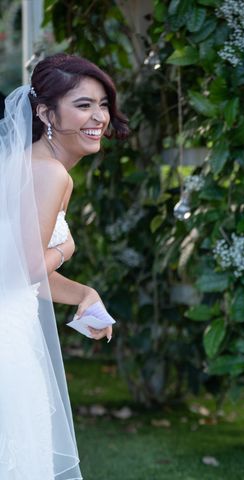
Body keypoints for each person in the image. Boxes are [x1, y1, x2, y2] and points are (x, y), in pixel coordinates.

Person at [0, 53, 129, 479]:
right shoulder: (51, 174)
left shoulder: (25, 166)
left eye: (103, 104)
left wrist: (84, 294)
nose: (99, 118)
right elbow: (29, 266)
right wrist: (66, 248)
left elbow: (13, 271)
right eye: (83, 105)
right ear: (44, 111)